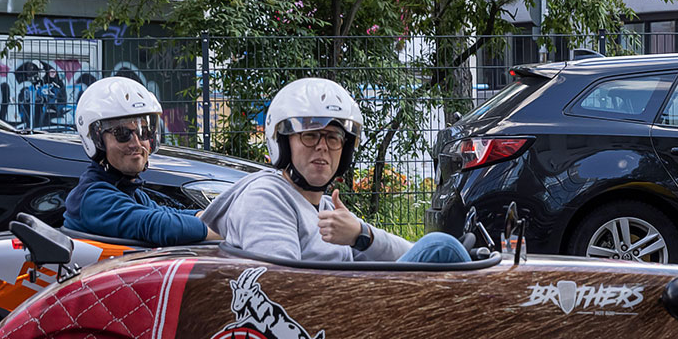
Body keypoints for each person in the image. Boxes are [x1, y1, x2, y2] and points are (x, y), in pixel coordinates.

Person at [200, 77, 471, 264]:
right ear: (282, 143)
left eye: (333, 138)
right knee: (441, 248)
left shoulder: (325, 207)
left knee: (445, 252)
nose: (322, 147)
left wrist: (360, 234)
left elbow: (407, 253)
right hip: (328, 328)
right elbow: (282, 287)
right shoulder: (267, 197)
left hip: (345, 315)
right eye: (310, 136)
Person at [64, 77, 219, 245]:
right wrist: (229, 230)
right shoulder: (94, 198)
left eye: (144, 132)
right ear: (96, 141)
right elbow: (157, 225)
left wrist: (215, 216)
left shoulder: (127, 191)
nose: (136, 144)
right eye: (122, 133)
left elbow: (166, 213)